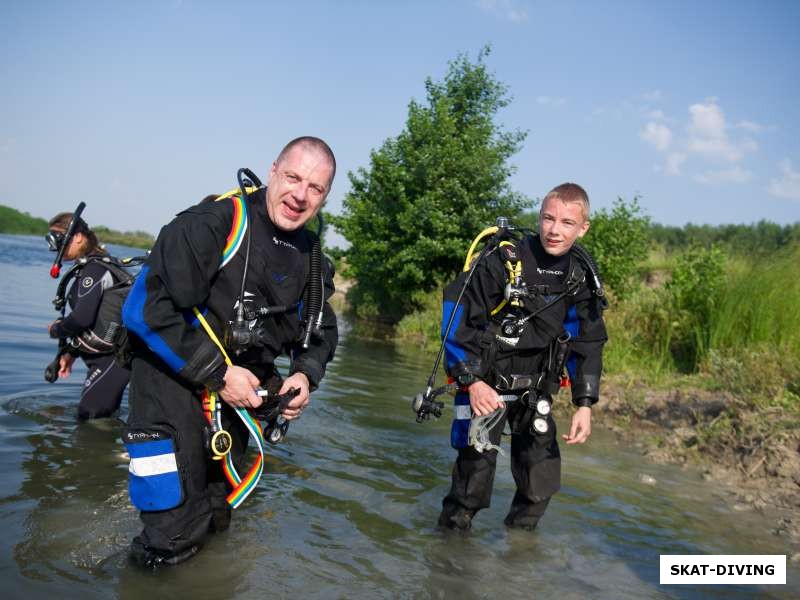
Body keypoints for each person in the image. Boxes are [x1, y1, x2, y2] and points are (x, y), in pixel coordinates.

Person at [121, 136, 338, 567]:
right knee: (171, 534)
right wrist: (220, 374)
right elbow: (143, 309)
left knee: (216, 520)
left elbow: (321, 327)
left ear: (325, 196)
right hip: (169, 382)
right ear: (274, 170)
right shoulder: (213, 223)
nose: (300, 195)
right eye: (293, 177)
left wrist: (304, 374)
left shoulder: (311, 258)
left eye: (315, 188)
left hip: (234, 403)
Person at [437, 183, 607, 531]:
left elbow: (587, 341)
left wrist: (584, 403)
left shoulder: (580, 276)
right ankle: (450, 562)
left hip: (537, 390)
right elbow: (456, 319)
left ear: (583, 227)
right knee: (472, 484)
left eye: (566, 222)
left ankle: (517, 555)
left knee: (539, 485)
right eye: (548, 218)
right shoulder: (503, 260)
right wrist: (472, 382)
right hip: (486, 384)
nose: (554, 230)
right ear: (539, 216)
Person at [46, 213, 131, 420]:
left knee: (89, 418)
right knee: (98, 418)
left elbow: (82, 318)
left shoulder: (94, 269)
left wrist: (57, 330)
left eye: (57, 239)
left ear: (78, 237)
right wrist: (71, 352)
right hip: (106, 358)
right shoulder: (90, 267)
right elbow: (98, 320)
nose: (55, 246)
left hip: (114, 360)